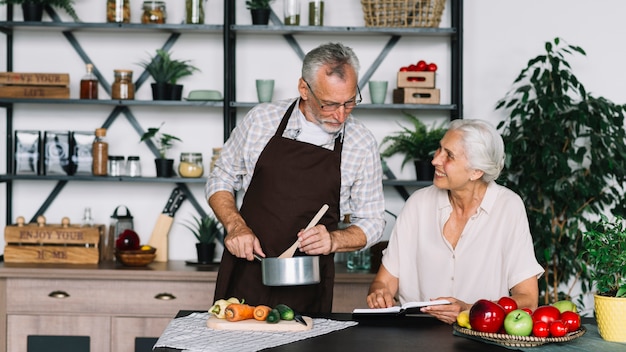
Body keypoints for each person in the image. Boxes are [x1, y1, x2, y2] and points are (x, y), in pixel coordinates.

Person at [206, 42, 386, 313]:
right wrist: (235, 226)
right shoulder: (262, 120)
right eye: (329, 104)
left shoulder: (361, 143)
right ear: (304, 89)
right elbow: (221, 178)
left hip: (308, 281)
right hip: (246, 271)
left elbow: (372, 220)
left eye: (350, 102)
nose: (340, 115)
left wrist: (334, 240)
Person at [366, 119, 544, 324]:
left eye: (449, 155)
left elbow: (528, 299)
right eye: (439, 149)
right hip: (416, 336)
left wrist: (469, 310)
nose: (435, 160)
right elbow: (383, 282)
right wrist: (379, 293)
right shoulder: (418, 203)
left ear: (476, 172)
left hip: (481, 339)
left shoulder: (508, 207)